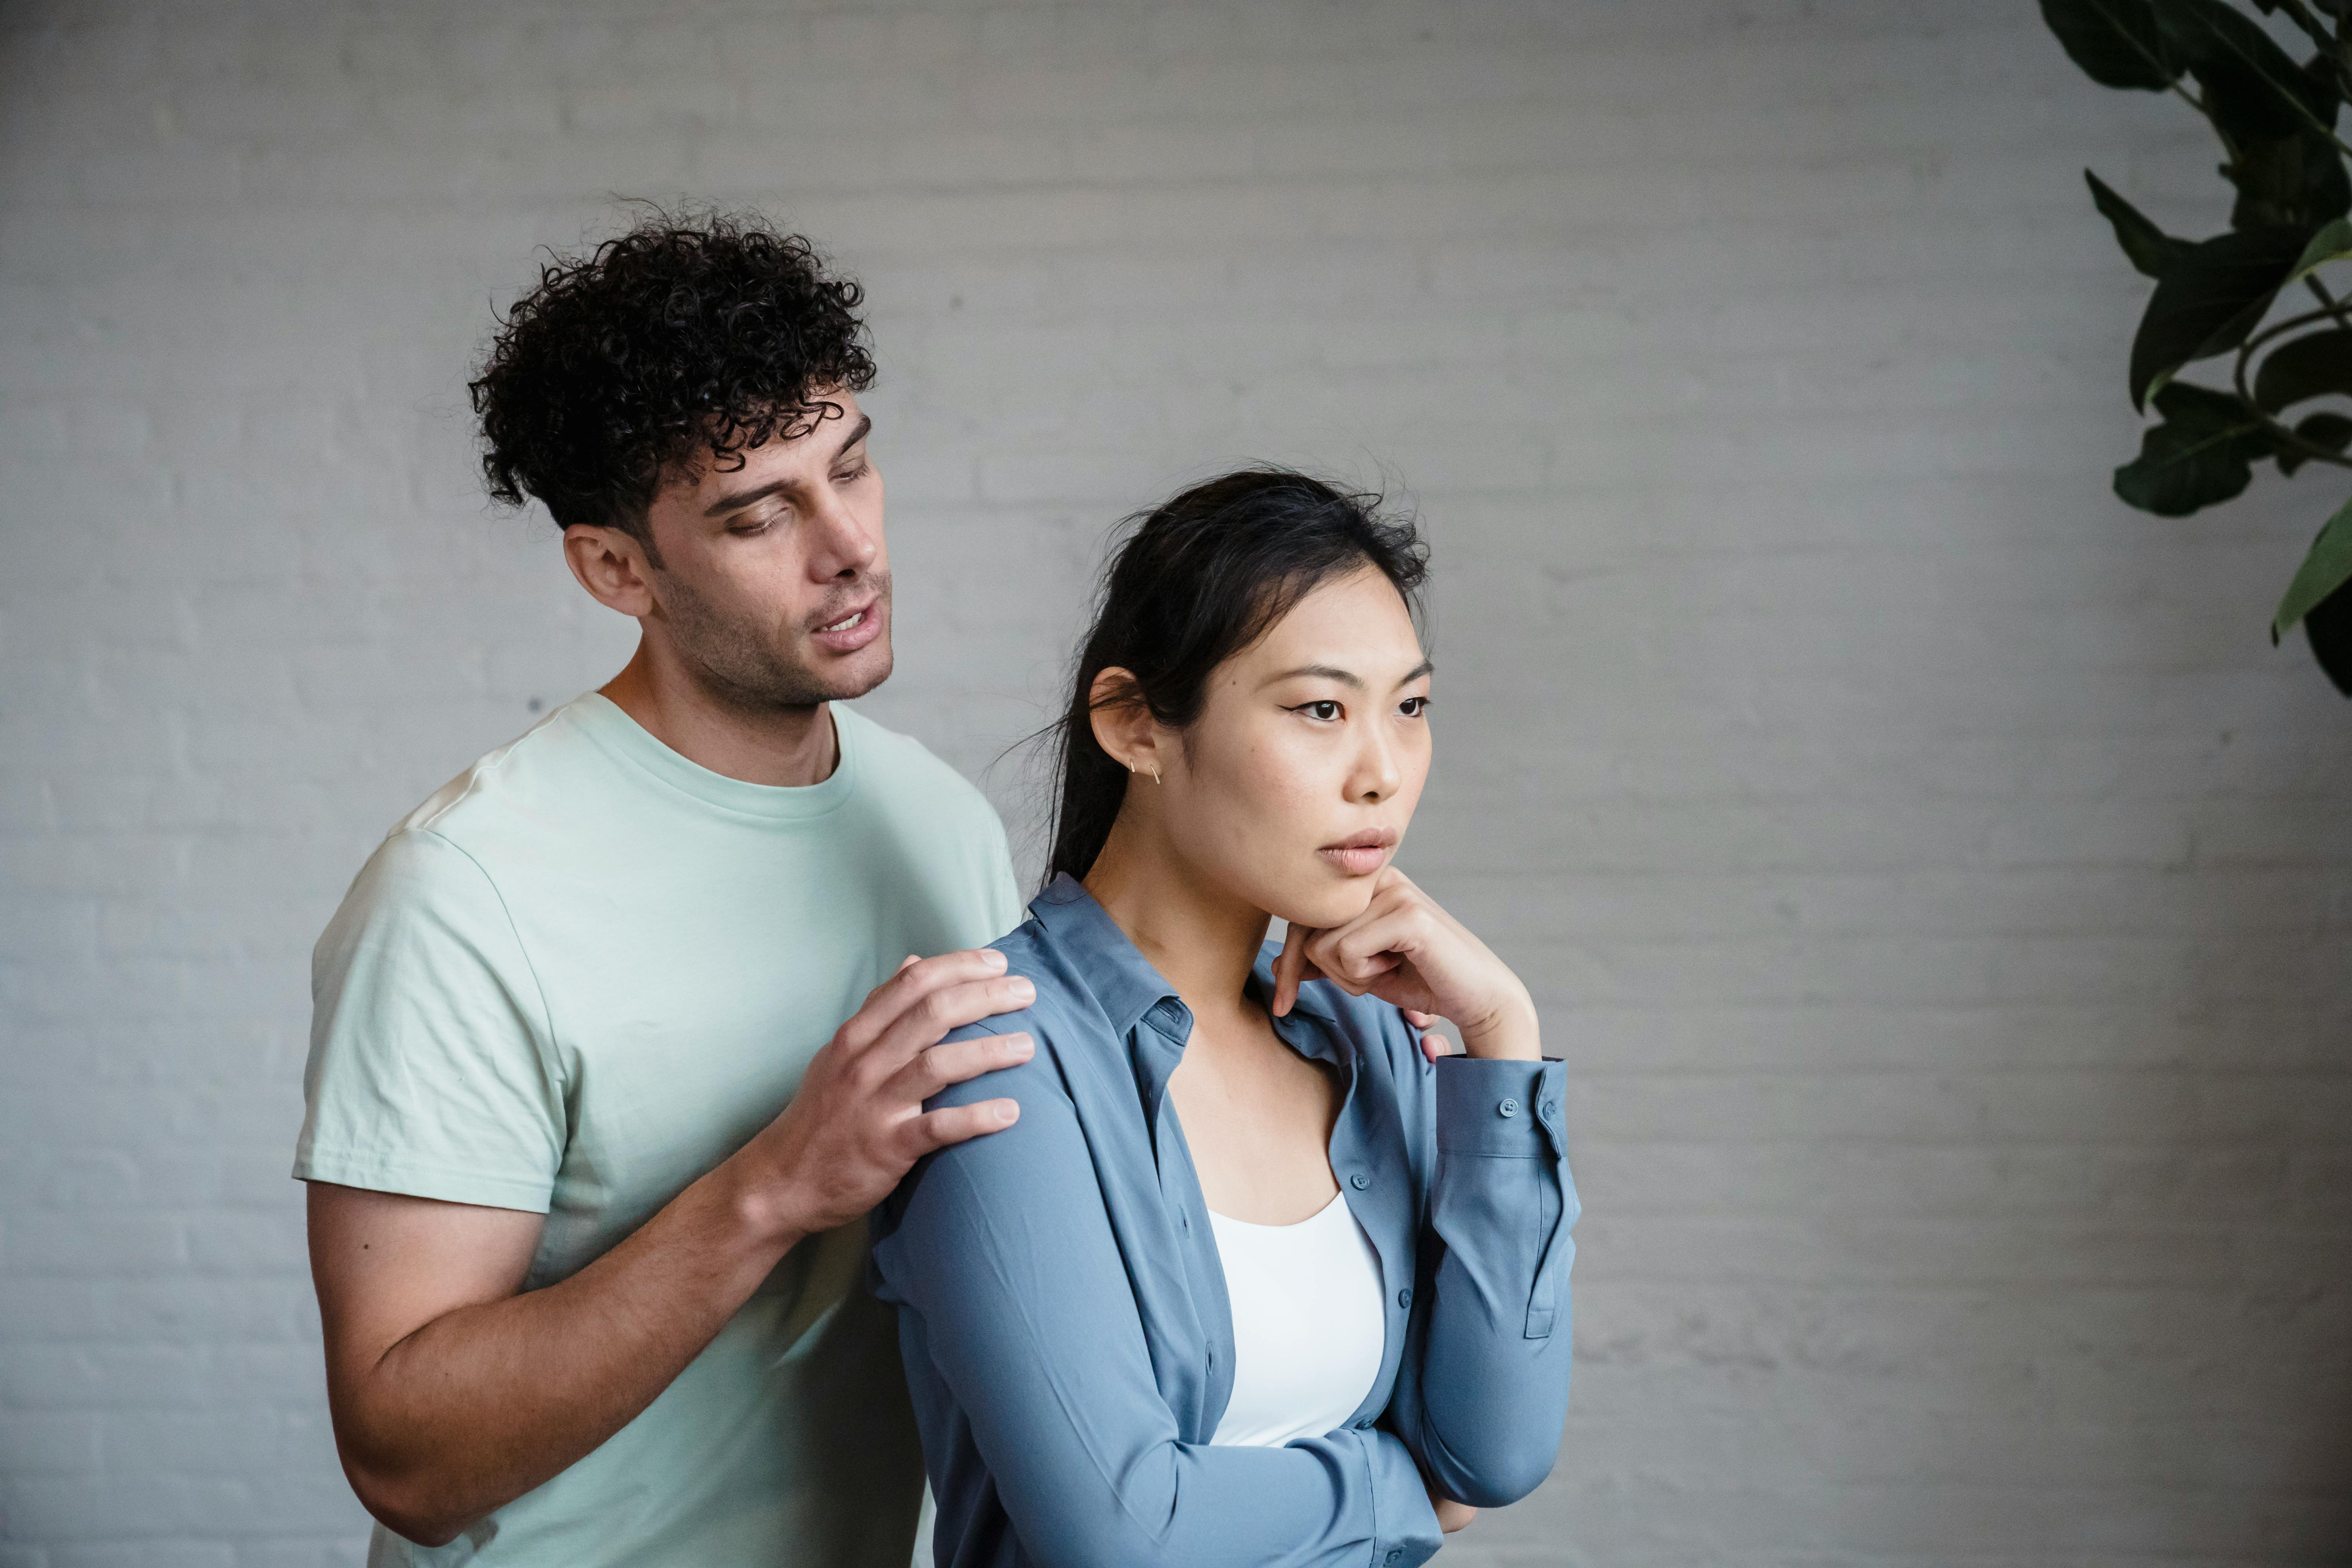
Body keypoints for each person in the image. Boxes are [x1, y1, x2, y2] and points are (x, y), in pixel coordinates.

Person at [294, 212, 1038, 1567]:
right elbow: (401, 1457)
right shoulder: (465, 893)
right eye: (761, 515)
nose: (850, 547)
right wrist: (771, 1187)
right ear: (615, 567)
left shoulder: (938, 821)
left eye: (854, 470)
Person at [869, 471, 1578, 1568]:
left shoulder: (1368, 1037)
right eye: (1320, 709)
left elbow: (1495, 1453)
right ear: (1135, 724)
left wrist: (1501, 1032)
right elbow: (1123, 1531)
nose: (1382, 772)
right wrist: (1400, 1488)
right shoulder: (996, 1051)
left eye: (1411, 706)